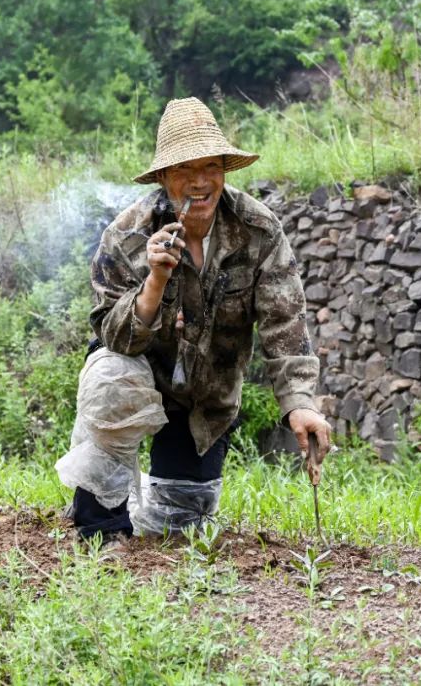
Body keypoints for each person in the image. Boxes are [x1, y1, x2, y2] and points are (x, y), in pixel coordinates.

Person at [55, 97, 331, 539]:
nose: (199, 183)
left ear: (224, 171)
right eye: (184, 170)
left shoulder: (257, 230)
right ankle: (102, 525)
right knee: (109, 377)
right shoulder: (128, 235)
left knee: (181, 523)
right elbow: (114, 336)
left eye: (211, 168)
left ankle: (135, 496)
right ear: (164, 177)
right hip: (137, 373)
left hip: (205, 398)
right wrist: (155, 283)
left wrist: (299, 404)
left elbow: (285, 321)